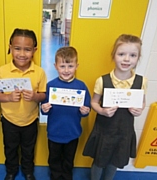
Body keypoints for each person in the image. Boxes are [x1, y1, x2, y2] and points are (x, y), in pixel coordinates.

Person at [83, 34, 148, 180]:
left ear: (138, 58)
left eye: (132, 55)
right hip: (105, 130)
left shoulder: (141, 81)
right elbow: (94, 102)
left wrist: (140, 109)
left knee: (115, 161)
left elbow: (142, 101)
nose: (126, 59)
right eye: (121, 54)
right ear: (114, 55)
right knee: (99, 161)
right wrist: (101, 110)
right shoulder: (102, 80)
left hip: (124, 131)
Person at [0, 28, 47, 180]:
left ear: (34, 50)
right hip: (9, 120)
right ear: (10, 48)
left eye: (27, 49)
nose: (22, 54)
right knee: (10, 148)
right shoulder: (3, 71)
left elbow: (44, 94)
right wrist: (9, 98)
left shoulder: (39, 72)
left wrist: (36, 96)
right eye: (17, 48)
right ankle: (11, 171)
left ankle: (28, 171)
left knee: (28, 149)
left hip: (30, 120)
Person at [41, 46, 91, 180]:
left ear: (77, 66)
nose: (66, 70)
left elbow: (86, 109)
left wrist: (85, 111)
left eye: (70, 65)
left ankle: (67, 175)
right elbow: (44, 107)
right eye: (62, 66)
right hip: (54, 131)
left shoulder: (81, 86)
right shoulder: (50, 85)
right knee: (54, 157)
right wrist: (44, 109)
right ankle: (55, 175)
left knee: (69, 158)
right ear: (55, 66)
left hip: (72, 132)